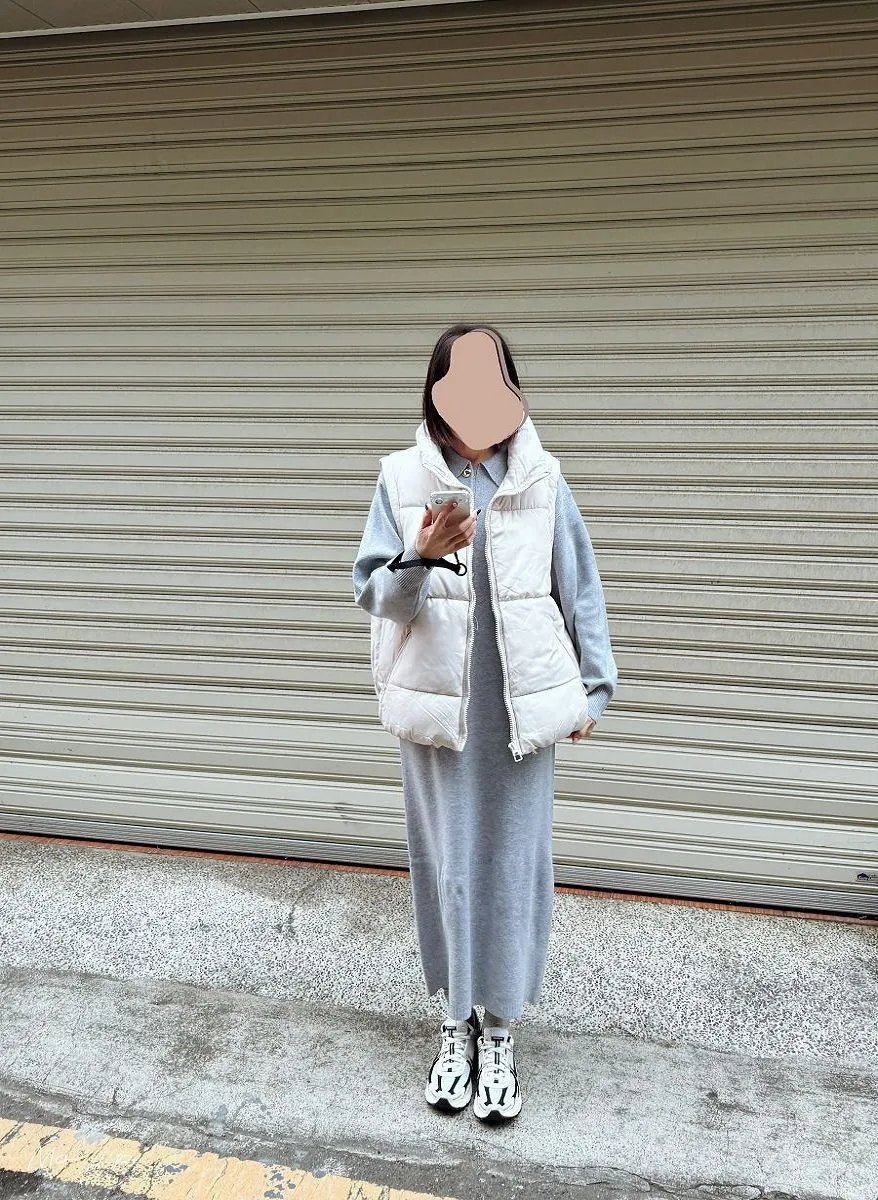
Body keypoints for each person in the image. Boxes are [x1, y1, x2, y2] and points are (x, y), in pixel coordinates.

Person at [351, 323, 618, 1124]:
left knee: (512, 867)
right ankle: (454, 1022)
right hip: (438, 711)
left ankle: (499, 1030)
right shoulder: (401, 477)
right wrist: (420, 555)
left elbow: (580, 585)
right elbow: (375, 596)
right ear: (436, 393)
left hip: (520, 711)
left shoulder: (542, 477)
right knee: (449, 867)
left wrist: (593, 688)